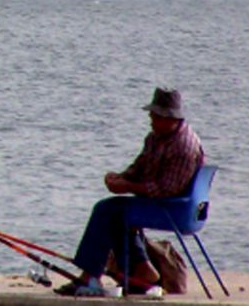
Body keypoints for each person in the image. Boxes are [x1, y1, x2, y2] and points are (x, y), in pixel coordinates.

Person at [54, 87, 205, 296]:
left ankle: (90, 276)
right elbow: (139, 167)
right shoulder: (156, 137)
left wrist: (128, 187)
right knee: (115, 212)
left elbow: (165, 190)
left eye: (155, 116)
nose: (151, 120)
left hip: (174, 209)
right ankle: (142, 269)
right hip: (162, 203)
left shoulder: (183, 147)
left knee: (106, 210)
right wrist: (120, 178)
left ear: (170, 118)